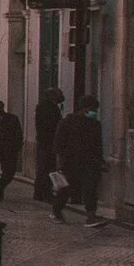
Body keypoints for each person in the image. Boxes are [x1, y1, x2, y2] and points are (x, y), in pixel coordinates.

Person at [53, 93, 105, 225]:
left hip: (91, 162)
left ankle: (91, 217)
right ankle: (56, 211)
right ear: (84, 108)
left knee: (90, 189)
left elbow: (98, 145)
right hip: (71, 161)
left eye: (95, 110)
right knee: (66, 189)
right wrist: (60, 162)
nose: (94, 112)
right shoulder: (66, 123)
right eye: (92, 110)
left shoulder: (95, 125)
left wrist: (101, 161)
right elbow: (59, 144)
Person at [33, 86, 66, 203]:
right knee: (46, 169)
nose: (61, 97)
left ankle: (39, 193)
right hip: (47, 142)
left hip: (46, 142)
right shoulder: (47, 108)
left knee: (44, 169)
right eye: (59, 94)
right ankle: (44, 193)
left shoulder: (48, 107)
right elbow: (49, 127)